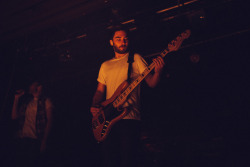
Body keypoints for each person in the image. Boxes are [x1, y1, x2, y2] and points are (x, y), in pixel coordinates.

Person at [90, 27, 165, 167]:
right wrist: (95, 105)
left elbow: (151, 83)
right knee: (109, 160)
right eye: (118, 39)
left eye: (125, 39)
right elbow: (100, 91)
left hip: (129, 117)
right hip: (107, 116)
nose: (122, 41)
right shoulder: (105, 65)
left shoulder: (135, 58)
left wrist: (158, 72)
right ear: (111, 42)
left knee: (128, 160)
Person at [11, 81, 53, 167]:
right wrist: (16, 98)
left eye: (37, 86)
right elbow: (14, 116)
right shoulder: (27, 102)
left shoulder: (46, 101)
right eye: (34, 86)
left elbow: (50, 121)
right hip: (22, 138)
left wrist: (44, 140)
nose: (36, 87)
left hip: (35, 140)